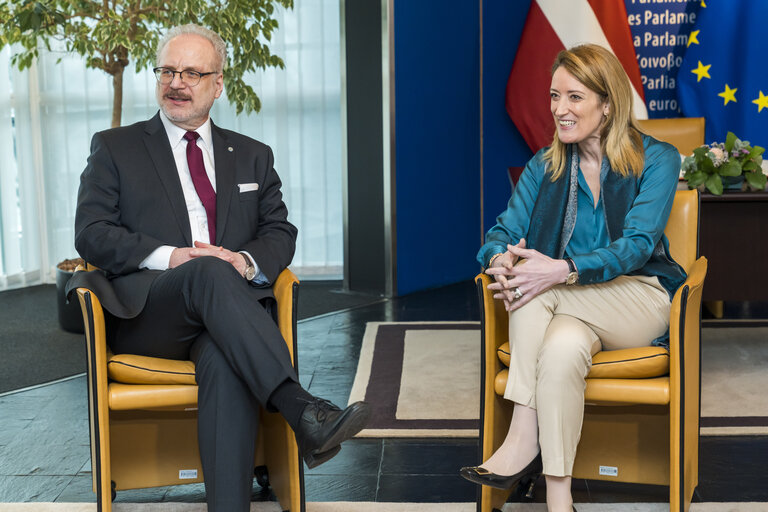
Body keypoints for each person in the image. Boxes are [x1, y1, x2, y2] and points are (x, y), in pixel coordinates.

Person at [67, 24, 370, 511]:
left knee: (225, 358)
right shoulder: (115, 147)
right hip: (151, 314)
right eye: (167, 70)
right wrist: (174, 258)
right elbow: (92, 232)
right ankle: (300, 408)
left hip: (228, 321)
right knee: (206, 269)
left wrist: (243, 261)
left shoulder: (252, 155)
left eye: (191, 72)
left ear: (218, 83)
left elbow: (279, 232)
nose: (176, 82)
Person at [459, 44, 686, 512]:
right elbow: (501, 233)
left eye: (574, 97)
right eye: (553, 96)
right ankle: (559, 499)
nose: (559, 109)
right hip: (569, 304)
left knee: (532, 287)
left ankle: (522, 433)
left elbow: (639, 244)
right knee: (560, 348)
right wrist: (500, 258)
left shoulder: (658, 159)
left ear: (608, 103)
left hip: (639, 296)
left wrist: (559, 270)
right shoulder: (546, 166)